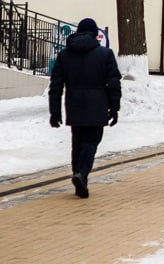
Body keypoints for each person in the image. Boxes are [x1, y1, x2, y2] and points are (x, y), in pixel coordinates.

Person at [48, 18, 121, 199]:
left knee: (77, 143)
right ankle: (81, 173)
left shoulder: (65, 55)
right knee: (91, 142)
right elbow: (113, 84)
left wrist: (54, 112)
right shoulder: (105, 54)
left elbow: (55, 86)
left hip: (74, 104)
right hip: (97, 104)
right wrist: (115, 108)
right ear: (95, 34)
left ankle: (79, 178)